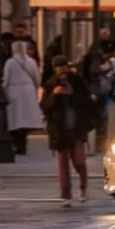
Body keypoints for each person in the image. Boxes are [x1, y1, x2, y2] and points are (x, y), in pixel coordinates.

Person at [40, 54, 98, 205]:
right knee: (63, 164)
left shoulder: (77, 81)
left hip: (77, 128)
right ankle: (65, 196)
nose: (62, 71)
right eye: (59, 68)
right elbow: (44, 106)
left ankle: (83, 187)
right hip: (60, 130)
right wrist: (54, 95)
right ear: (55, 69)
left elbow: (87, 103)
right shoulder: (51, 84)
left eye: (64, 67)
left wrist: (71, 95)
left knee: (79, 160)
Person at [3, 39, 45, 155]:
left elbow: (6, 79)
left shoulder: (10, 62)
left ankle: (17, 143)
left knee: (15, 119)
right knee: (25, 118)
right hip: (28, 91)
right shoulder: (31, 62)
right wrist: (35, 88)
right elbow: (37, 78)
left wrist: (3, 90)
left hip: (14, 90)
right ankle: (22, 142)